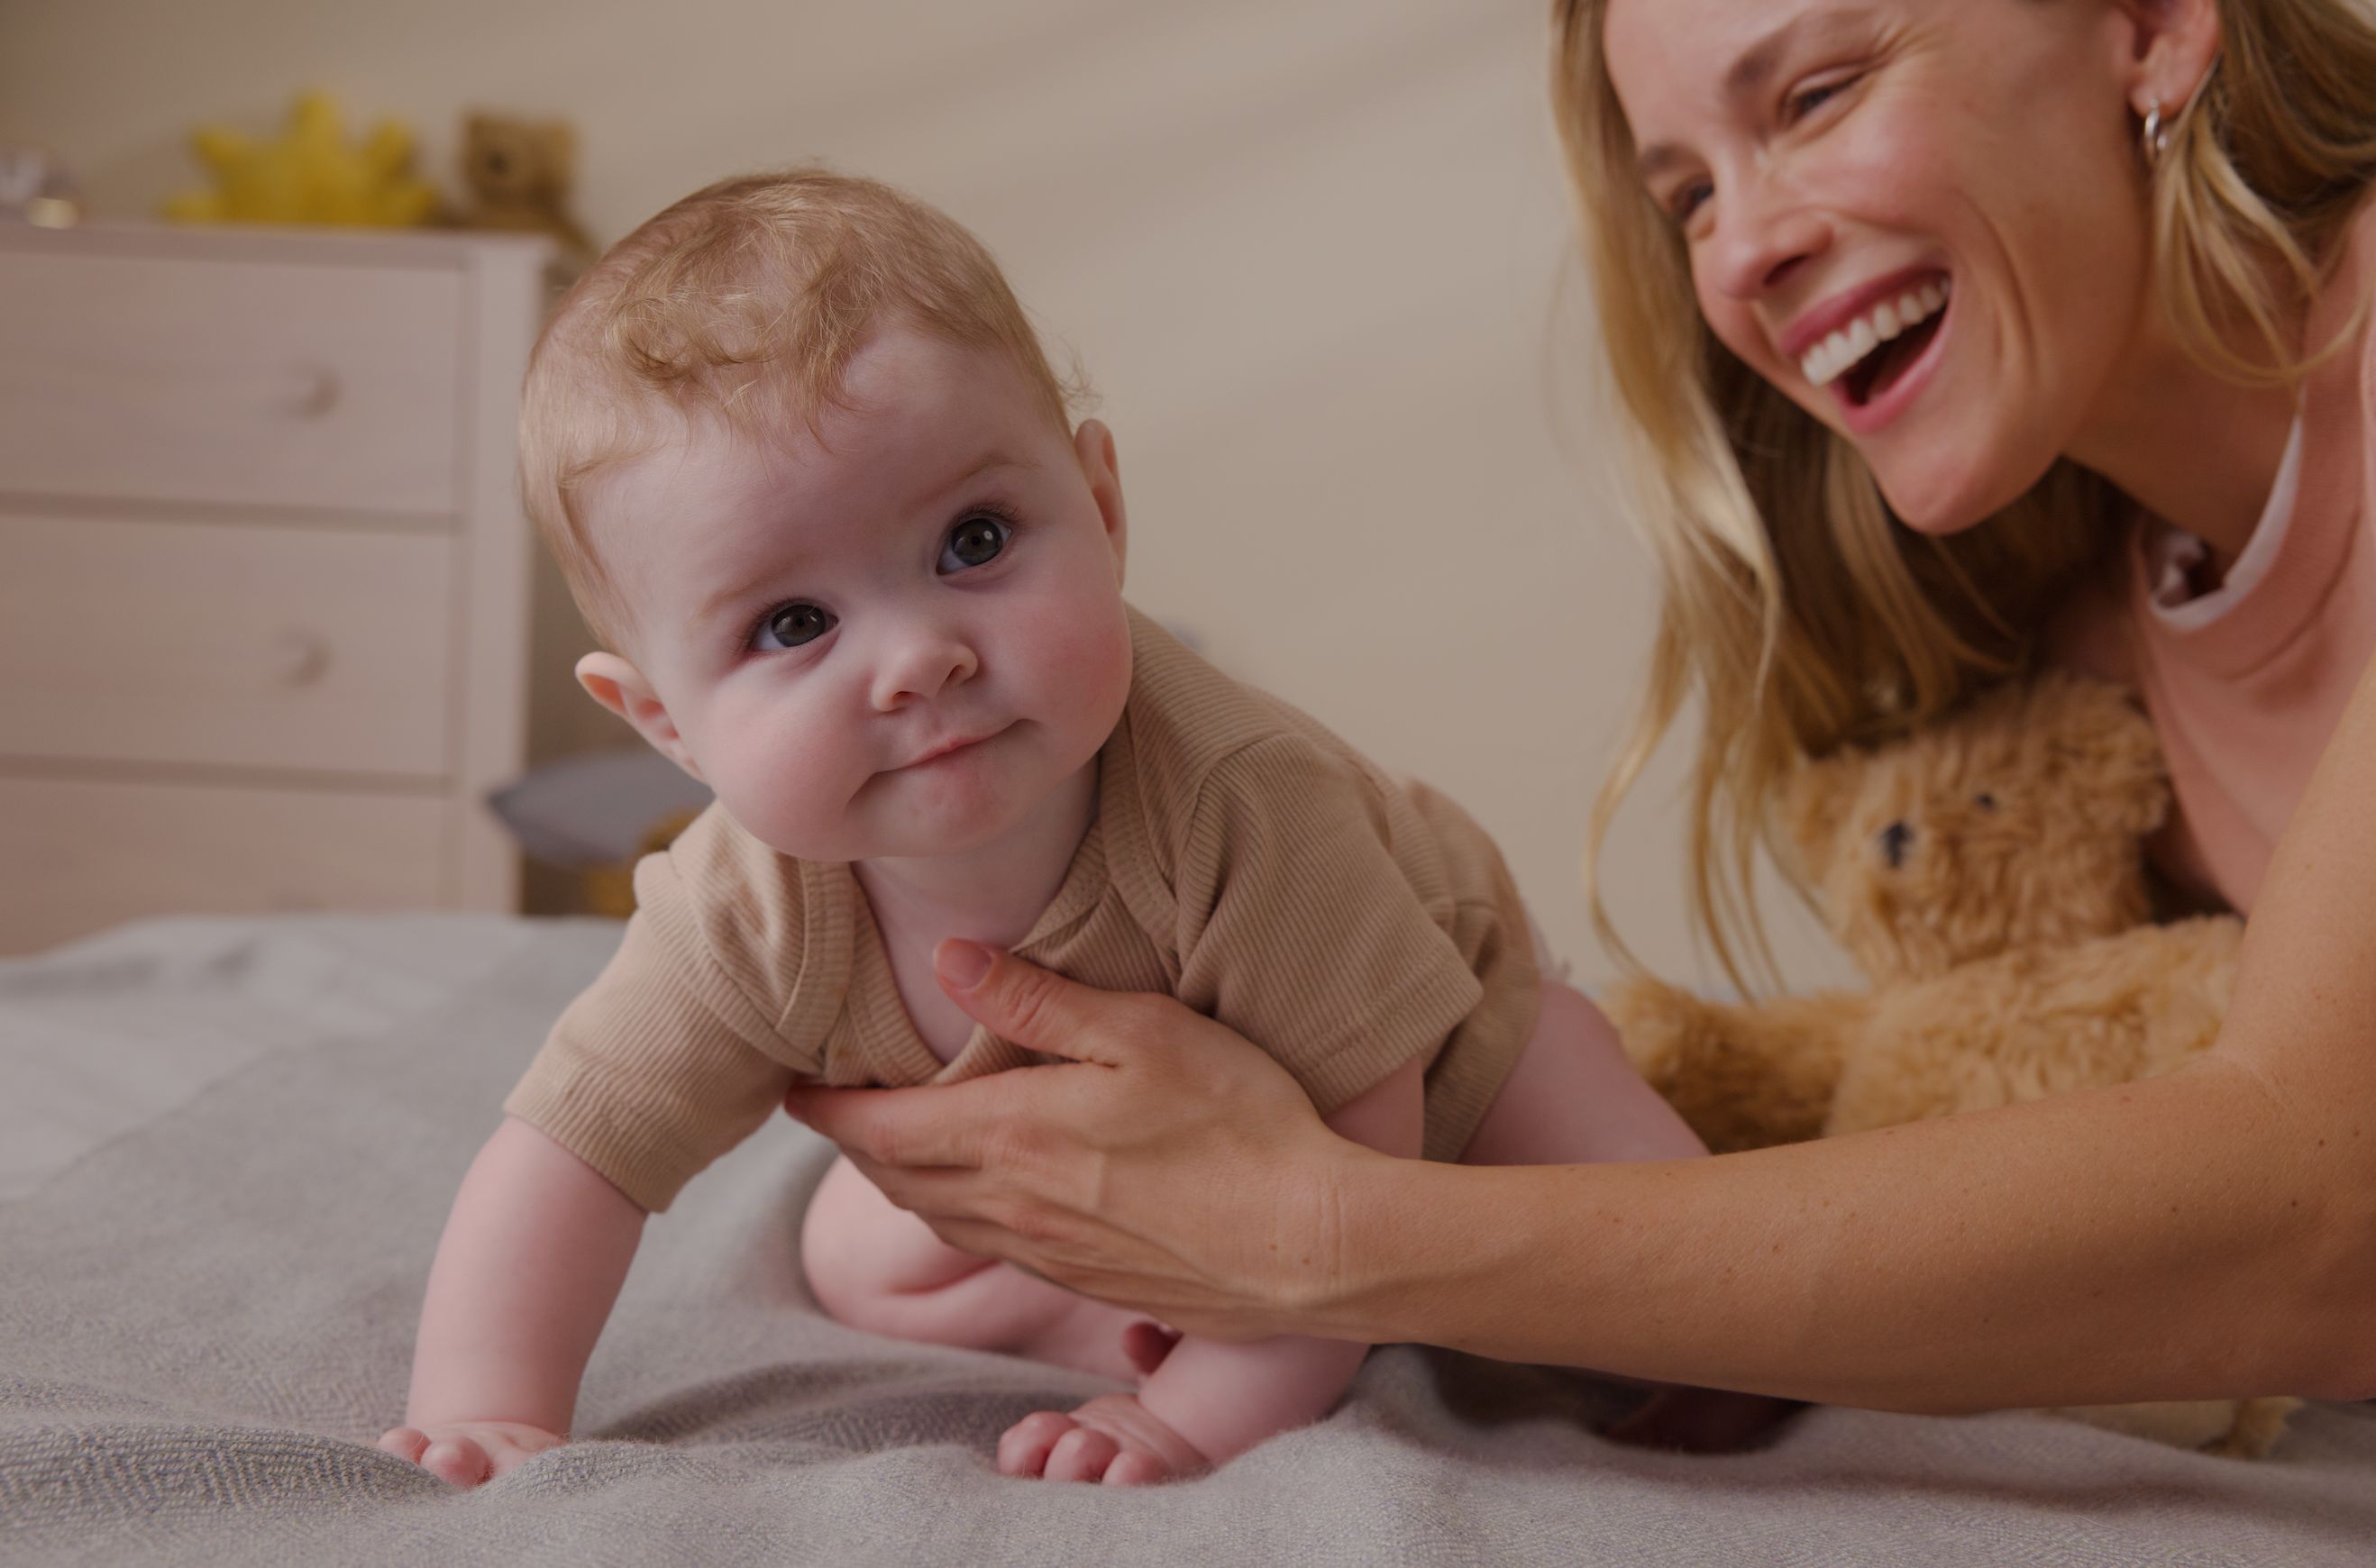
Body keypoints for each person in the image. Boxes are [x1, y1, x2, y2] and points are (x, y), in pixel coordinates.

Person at [786, 0, 2376, 1417]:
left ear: (2158, 23)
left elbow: (2317, 1226)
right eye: (1685, 192)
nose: (1740, 253)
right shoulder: (2105, 621)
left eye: (1816, 95)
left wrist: (1318, 1232)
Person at [376, 169, 1776, 1491]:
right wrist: (485, 1405)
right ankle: (1127, 1306)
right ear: (665, 723)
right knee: (861, 1253)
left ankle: (1278, 1334)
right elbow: (570, 1152)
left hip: (1442, 1060)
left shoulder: (1239, 804)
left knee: (1680, 1278)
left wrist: (1190, 1420)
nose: (919, 657)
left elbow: (1355, 1169)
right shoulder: (743, 916)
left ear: (1100, 512)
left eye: (974, 541)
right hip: (1134, 1153)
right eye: (792, 624)